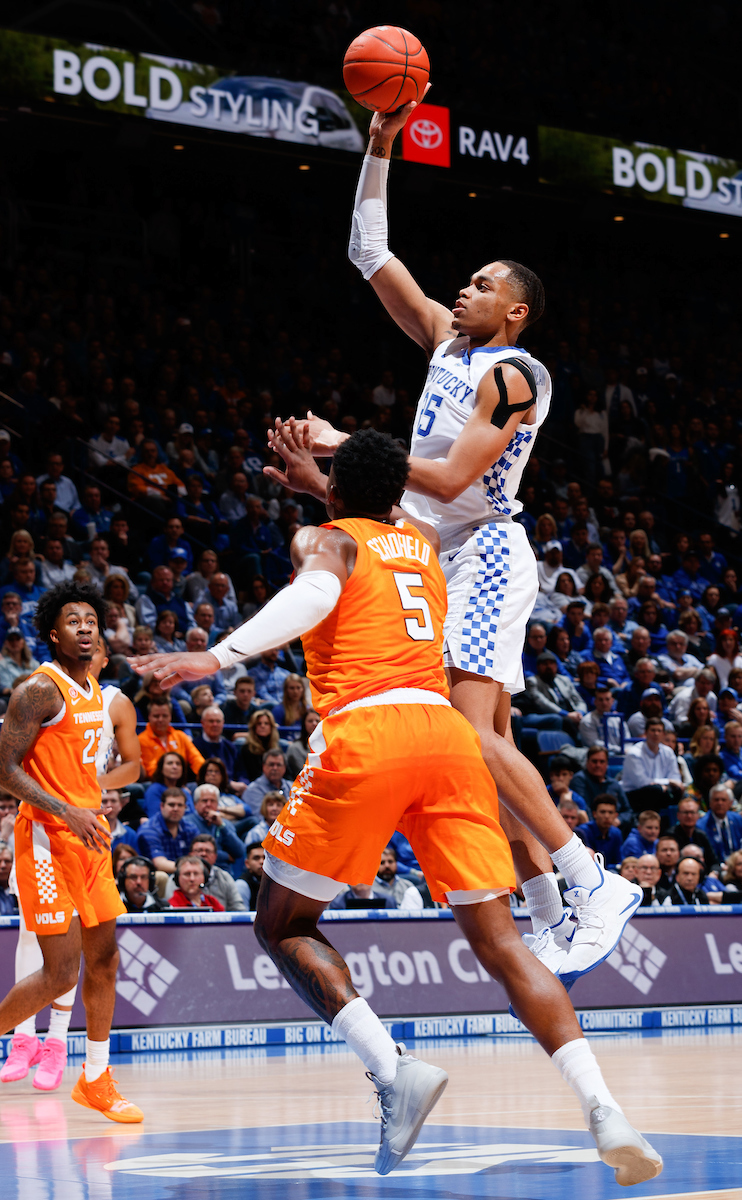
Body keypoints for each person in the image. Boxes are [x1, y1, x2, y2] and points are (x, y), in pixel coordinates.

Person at [128, 427, 659, 1183]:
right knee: (505, 947)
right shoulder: (421, 542)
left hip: (368, 733)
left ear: (337, 495)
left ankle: (392, 1070)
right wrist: (327, 481)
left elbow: (317, 590)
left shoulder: (325, 540)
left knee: (281, 922)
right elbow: (379, 511)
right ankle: (606, 1109)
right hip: (446, 741)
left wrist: (212, 657)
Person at [0, 582, 142, 1121]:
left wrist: (90, 806)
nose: (85, 628)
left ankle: (96, 1079)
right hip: (44, 839)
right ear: (53, 634)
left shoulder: (96, 693)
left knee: (104, 960)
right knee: (60, 974)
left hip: (91, 838)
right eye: (73, 621)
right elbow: (4, 770)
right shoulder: (38, 689)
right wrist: (66, 809)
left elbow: (112, 767)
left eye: (92, 621)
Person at [621, 718, 684, 813]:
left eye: (659, 731)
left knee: (679, 790)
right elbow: (642, 783)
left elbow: (676, 778)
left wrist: (667, 785)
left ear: (663, 734)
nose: (656, 734)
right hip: (634, 794)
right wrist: (667, 782)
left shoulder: (668, 752)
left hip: (661, 792)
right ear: (646, 733)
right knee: (655, 790)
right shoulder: (634, 753)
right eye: (653, 730)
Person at [137, 698, 206, 779]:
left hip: (181, 781)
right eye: (156, 716)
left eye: (164, 716)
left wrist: (205, 774)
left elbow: (196, 759)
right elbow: (149, 770)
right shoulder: (141, 740)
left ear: (170, 717)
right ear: (149, 717)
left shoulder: (180, 736)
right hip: (155, 782)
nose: (160, 720)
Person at [137, 789, 199, 874]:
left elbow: (199, 856)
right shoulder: (149, 830)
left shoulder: (190, 828)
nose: (176, 809)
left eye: (180, 805)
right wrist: (191, 868)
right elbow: (159, 864)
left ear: (185, 807)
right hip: (159, 877)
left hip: (187, 874)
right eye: (171, 805)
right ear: (162, 806)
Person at [189, 784, 246, 871]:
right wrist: (226, 856)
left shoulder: (225, 823)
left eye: (212, 801)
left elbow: (239, 852)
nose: (208, 804)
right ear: (195, 804)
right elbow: (194, 852)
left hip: (224, 872)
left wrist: (221, 826)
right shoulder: (188, 822)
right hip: (197, 870)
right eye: (204, 801)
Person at [188, 834, 246, 910]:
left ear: (215, 857)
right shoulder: (180, 877)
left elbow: (238, 908)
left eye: (208, 851)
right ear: (190, 855)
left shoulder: (225, 877)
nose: (203, 854)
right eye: (199, 851)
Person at [668, 798, 718, 874]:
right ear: (678, 815)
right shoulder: (671, 836)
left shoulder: (701, 835)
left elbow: (714, 862)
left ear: (698, 815)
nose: (689, 816)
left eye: (692, 812)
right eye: (686, 812)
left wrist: (714, 873)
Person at [234, 710, 284, 781]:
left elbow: (286, 772)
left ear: (271, 727)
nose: (262, 726)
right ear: (254, 727)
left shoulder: (277, 748)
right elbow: (252, 774)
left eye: (266, 723)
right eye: (259, 723)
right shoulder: (247, 749)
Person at [696, 785, 742, 862]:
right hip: (714, 864)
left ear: (730, 803)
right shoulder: (701, 825)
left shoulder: (737, 819)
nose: (720, 803)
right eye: (716, 800)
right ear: (710, 802)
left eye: (723, 800)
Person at [575, 797, 623, 868]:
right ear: (594, 814)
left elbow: (618, 861)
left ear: (616, 815)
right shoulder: (583, 831)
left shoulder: (616, 833)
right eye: (602, 812)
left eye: (610, 812)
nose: (606, 816)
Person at [286, 710, 322, 780]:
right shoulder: (295, 748)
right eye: (310, 721)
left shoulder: (328, 745)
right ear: (304, 724)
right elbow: (301, 773)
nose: (314, 723)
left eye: (317, 721)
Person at [237, 842, 265, 910]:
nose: (262, 861)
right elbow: (242, 915)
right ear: (247, 863)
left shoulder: (276, 883)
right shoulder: (241, 885)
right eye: (256, 858)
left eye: (265, 858)